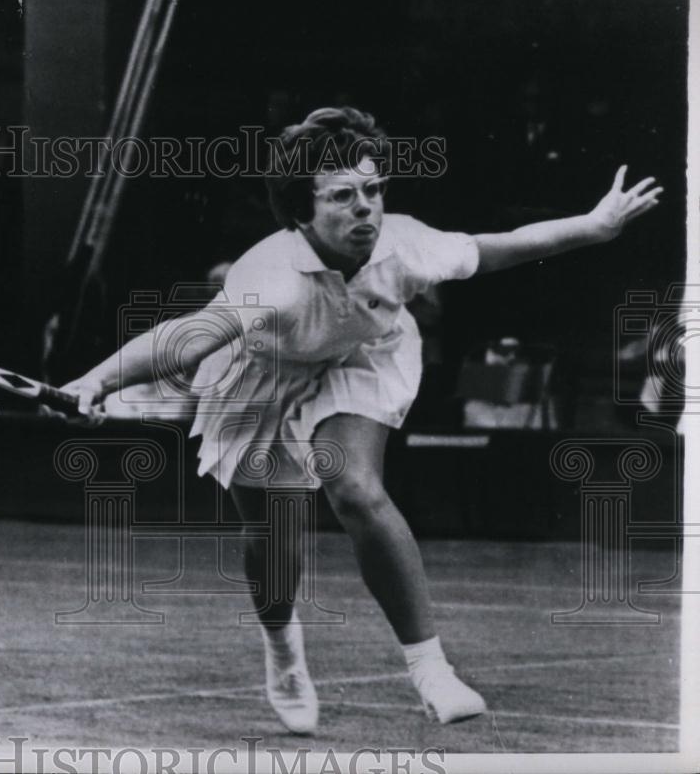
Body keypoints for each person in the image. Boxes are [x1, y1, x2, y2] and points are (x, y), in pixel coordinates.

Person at [60, 107, 662, 733]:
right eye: (343, 196)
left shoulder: (404, 244)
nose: (365, 209)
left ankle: (431, 670)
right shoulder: (269, 279)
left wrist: (593, 227)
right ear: (301, 211)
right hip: (263, 370)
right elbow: (185, 340)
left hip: (363, 354)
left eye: (373, 191)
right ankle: (283, 648)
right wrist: (98, 380)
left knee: (354, 486)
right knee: (273, 533)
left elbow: (495, 248)